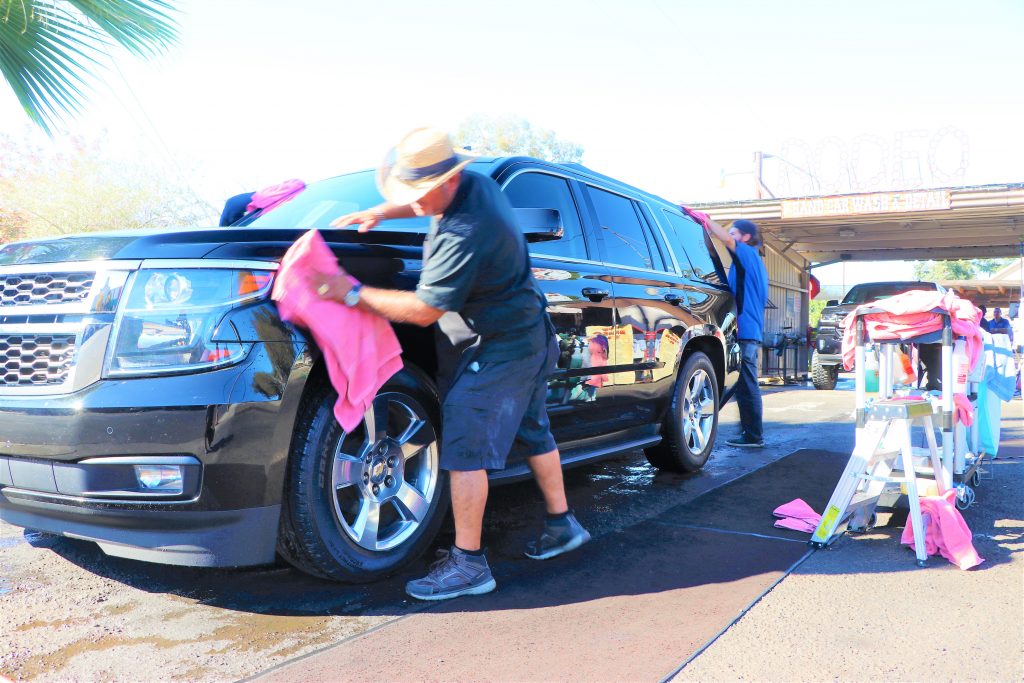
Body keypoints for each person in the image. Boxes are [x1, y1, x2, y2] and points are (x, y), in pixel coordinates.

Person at [311, 127, 590, 601]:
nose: (415, 205)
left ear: (448, 181)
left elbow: (423, 310)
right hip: (530, 332)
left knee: (464, 443)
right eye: (408, 195)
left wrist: (351, 293)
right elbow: (422, 203)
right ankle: (563, 525)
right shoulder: (476, 185)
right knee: (532, 428)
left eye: (419, 196)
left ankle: (469, 565)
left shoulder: (464, 233)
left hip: (500, 344)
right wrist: (383, 209)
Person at [701, 216, 769, 448]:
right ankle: (751, 433)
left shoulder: (747, 255)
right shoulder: (751, 263)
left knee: (746, 384)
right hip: (748, 330)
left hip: (746, 331)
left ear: (746, 237)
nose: (730, 237)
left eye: (735, 233)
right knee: (742, 384)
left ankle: (753, 436)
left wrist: (706, 222)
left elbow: (727, 241)